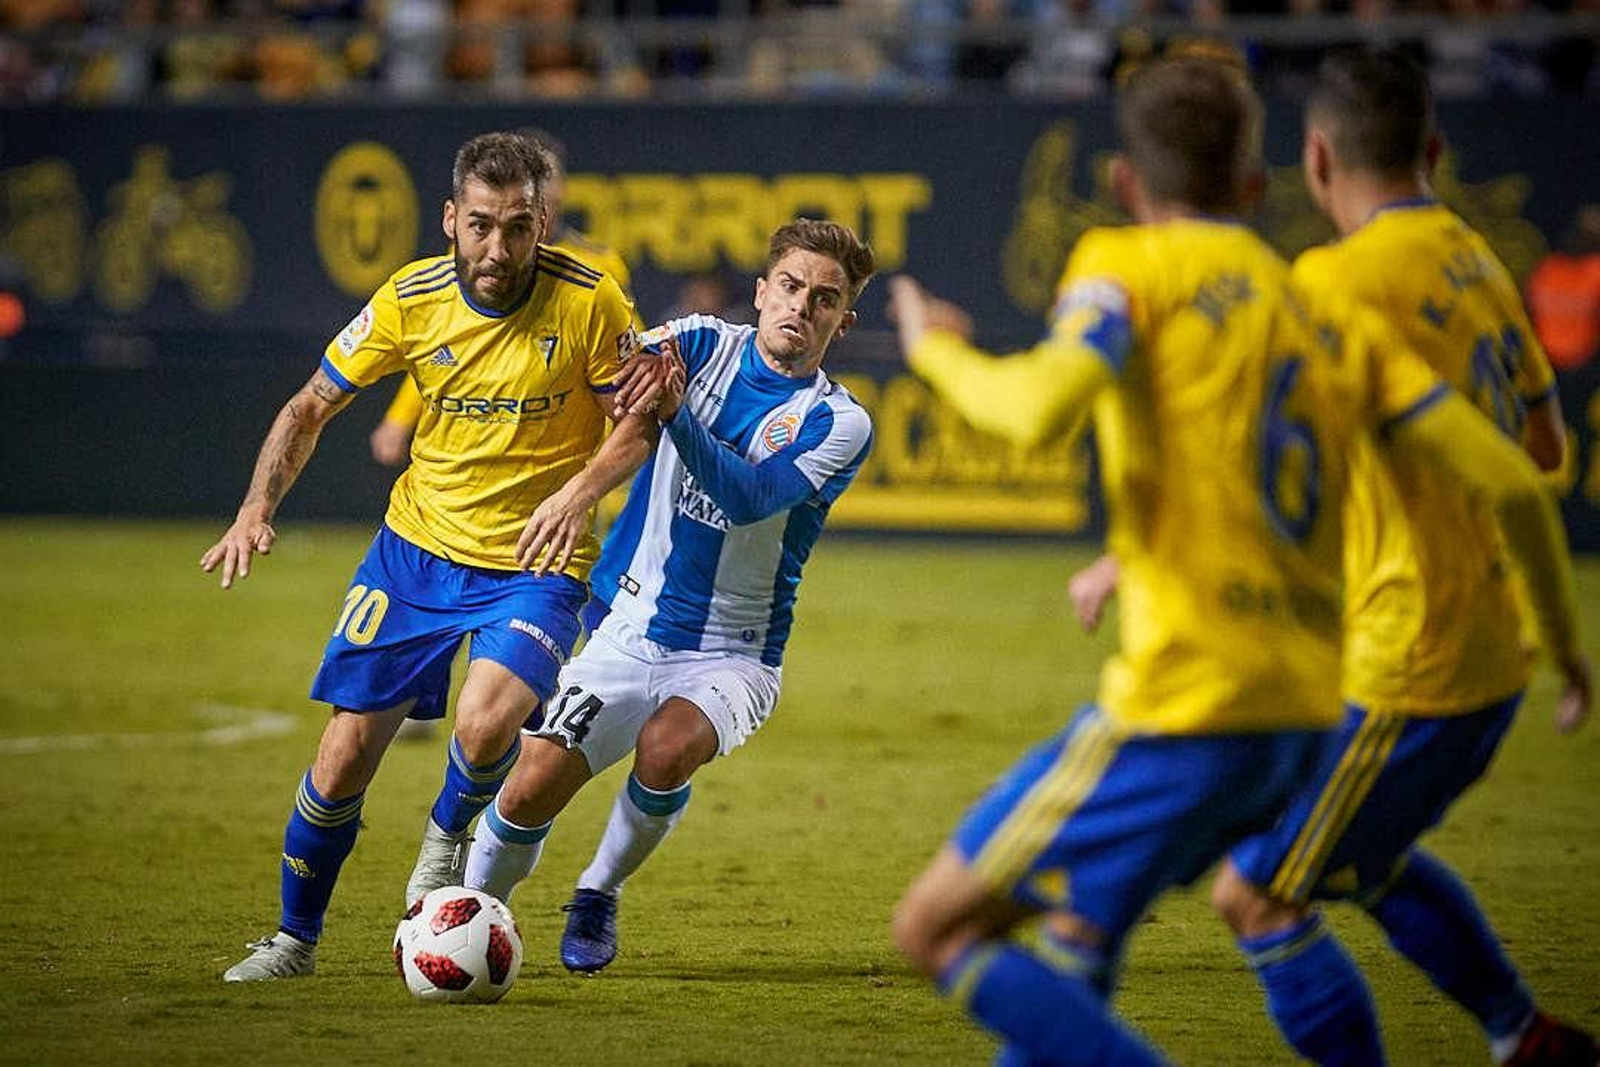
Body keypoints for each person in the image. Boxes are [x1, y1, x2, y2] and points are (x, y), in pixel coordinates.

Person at [885, 55, 1585, 1066]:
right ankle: (1519, 1031)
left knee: (934, 927)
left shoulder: (1125, 263)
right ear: (1261, 185)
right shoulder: (1322, 310)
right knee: (1081, 937)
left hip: (1191, 704)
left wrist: (933, 349)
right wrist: (1561, 644)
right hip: (1305, 714)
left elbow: (1037, 408)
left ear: (1127, 183)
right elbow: (1521, 477)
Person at [1203, 46, 1596, 1067]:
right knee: (1365, 862)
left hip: (1408, 660)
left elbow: (1272, 464)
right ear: (1432, 148)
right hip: (1487, 645)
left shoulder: (1329, 279)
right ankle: (1527, 1035)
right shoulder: (1477, 258)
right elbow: (1547, 455)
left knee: (1255, 890)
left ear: (1316, 156)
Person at [203, 131, 668, 983]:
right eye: (482, 225)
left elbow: (637, 420)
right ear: (451, 218)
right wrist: (254, 508)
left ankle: (446, 842)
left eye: (519, 227)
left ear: (544, 222)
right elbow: (311, 405)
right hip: (413, 557)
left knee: (488, 721)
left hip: (536, 560)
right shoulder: (409, 298)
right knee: (342, 757)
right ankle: (294, 940)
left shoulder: (593, 300)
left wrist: (575, 494)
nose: (498, 248)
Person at [461, 218, 876, 974]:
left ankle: (597, 889)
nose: (800, 307)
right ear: (761, 291)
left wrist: (676, 412)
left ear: (842, 320)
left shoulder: (839, 422)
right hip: (627, 629)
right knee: (526, 789)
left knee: (665, 747)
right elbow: (612, 364)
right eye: (789, 286)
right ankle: (463, 915)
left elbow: (751, 496)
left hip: (733, 653)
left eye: (824, 299)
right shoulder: (698, 340)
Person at [370, 128, 639, 467]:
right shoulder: (477, 259)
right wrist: (399, 418)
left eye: (550, 178)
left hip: (568, 451)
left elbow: (627, 350)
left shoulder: (598, 267)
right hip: (483, 440)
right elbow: (440, 346)